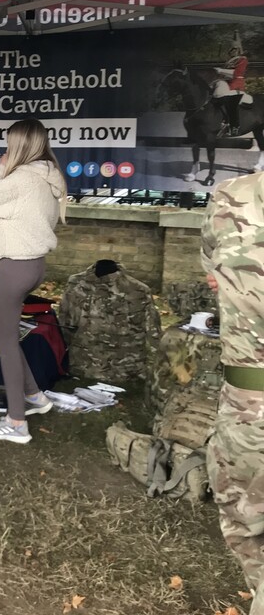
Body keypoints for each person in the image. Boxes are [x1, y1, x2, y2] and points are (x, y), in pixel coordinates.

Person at [0, 118, 66, 444]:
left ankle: (16, 423)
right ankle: (35, 396)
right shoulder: (48, 176)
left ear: (19, 146)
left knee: (5, 343)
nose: (6, 150)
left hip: (17, 267)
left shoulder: (21, 179)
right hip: (31, 264)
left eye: (10, 144)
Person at [201, 172, 264, 612]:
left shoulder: (234, 195)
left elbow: (213, 276)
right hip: (247, 405)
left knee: (245, 517)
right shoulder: (231, 194)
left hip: (250, 406)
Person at [213, 39, 250, 137]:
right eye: (230, 50)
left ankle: (234, 126)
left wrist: (221, 70)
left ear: (238, 50)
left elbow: (237, 73)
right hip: (226, 84)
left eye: (233, 49)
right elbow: (224, 75)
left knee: (232, 104)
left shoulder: (242, 59)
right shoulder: (229, 61)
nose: (231, 51)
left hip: (236, 85)